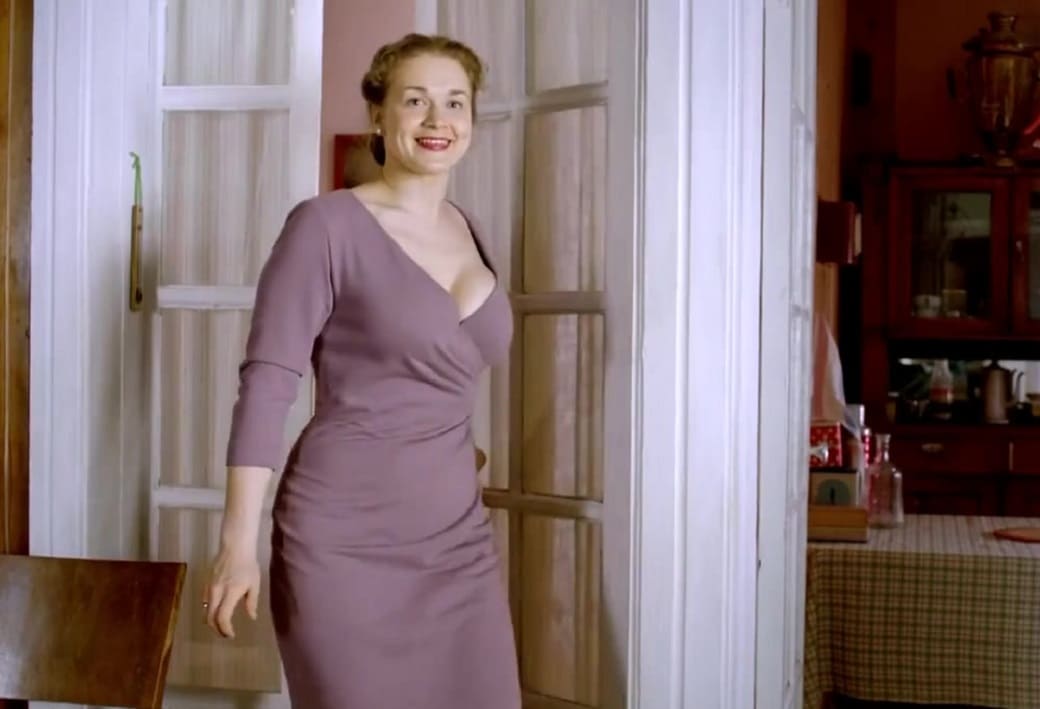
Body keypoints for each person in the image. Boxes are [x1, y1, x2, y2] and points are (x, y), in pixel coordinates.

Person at [202, 33, 521, 709]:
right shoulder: (324, 226)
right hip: (341, 542)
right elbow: (267, 384)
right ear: (378, 114)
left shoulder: (469, 227)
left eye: (454, 102)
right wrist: (237, 543)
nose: (438, 120)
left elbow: (441, 383)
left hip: (457, 544)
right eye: (415, 100)